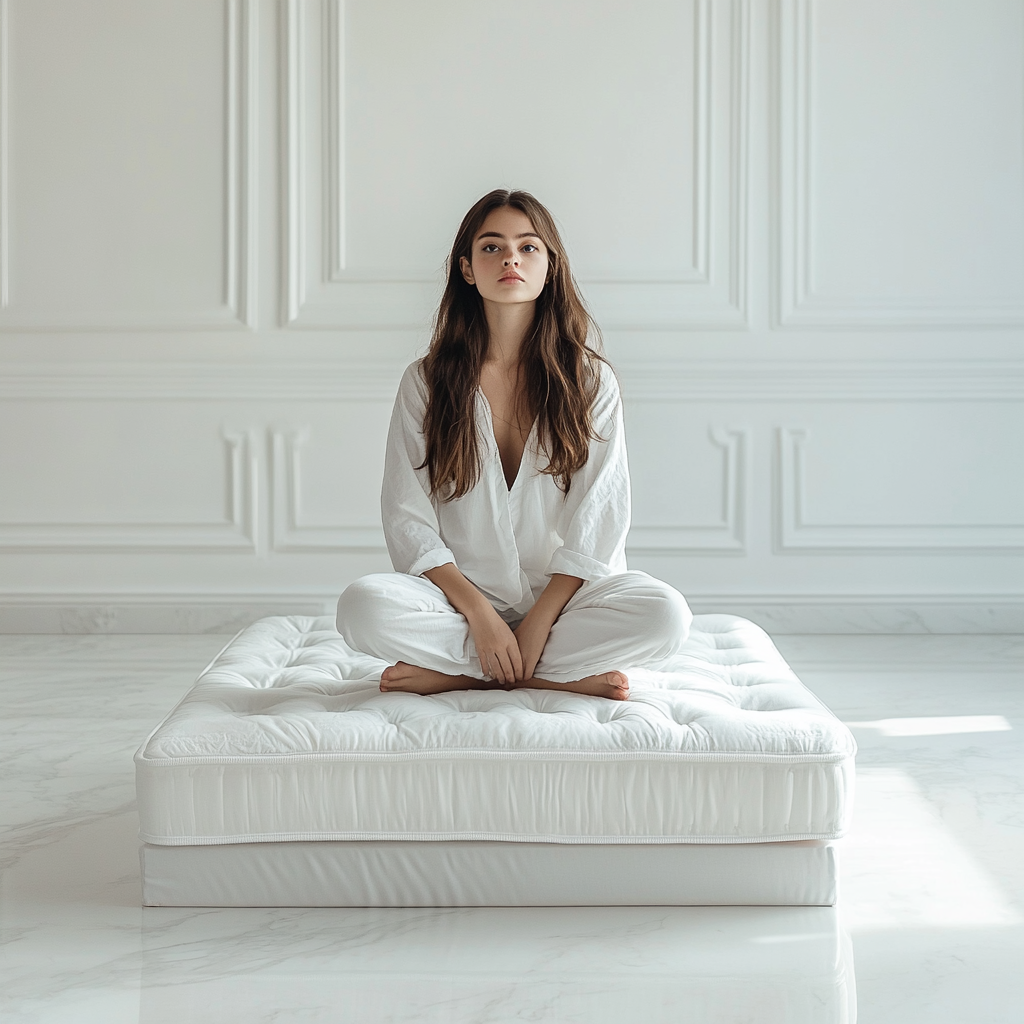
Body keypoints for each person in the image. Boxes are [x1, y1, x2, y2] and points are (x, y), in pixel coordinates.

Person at [337, 189, 692, 700]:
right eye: (491, 247)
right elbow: (407, 515)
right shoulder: (427, 381)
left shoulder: (589, 381)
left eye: (529, 247)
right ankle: (548, 675)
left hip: (567, 601)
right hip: (460, 601)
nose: (510, 258)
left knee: (666, 616)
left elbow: (600, 518)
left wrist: (537, 622)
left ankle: (464, 675)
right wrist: (480, 615)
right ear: (466, 268)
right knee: (361, 606)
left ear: (550, 267)